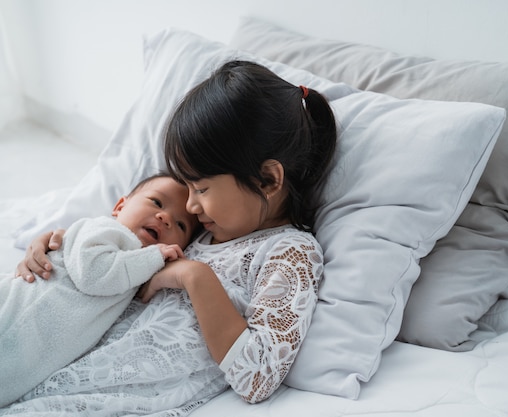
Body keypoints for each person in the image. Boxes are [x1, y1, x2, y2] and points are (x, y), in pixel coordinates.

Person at [6, 60, 337, 415]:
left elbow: (257, 377)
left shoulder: (290, 253)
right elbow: (113, 253)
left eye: (202, 188)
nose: (191, 206)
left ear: (268, 181)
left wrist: (193, 276)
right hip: (46, 369)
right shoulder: (199, 230)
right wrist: (57, 242)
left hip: (108, 400)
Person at [0, 174, 200, 408]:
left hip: (32, 351)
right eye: (156, 202)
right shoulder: (103, 229)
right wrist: (154, 256)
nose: (165, 217)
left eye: (180, 225)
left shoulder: (135, 266)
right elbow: (94, 274)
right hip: (17, 312)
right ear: (119, 206)